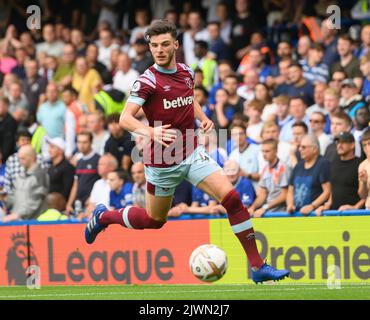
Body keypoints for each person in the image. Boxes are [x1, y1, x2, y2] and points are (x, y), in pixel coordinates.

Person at [85, 20, 289, 283]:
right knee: (154, 220)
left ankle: (258, 266)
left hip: (191, 152)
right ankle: (104, 217)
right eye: (154, 45)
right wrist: (151, 132)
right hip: (161, 161)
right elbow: (125, 119)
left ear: (176, 45)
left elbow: (189, 98)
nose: (159, 50)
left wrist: (203, 117)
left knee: (233, 200)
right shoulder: (147, 81)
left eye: (164, 44)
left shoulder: (185, 71)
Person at [316, 132, 363, 215]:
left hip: (355, 215)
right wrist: (327, 204)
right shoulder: (333, 163)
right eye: (338, 142)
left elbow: (367, 192)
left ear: (352, 145)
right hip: (335, 214)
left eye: (343, 142)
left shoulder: (360, 164)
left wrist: (355, 207)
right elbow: (334, 189)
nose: (339, 145)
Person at [287, 135, 331, 215]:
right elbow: (290, 190)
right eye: (300, 147)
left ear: (314, 149)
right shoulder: (298, 166)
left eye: (303, 147)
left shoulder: (323, 164)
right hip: (297, 214)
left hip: (315, 215)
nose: (300, 149)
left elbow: (327, 191)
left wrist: (312, 206)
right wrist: (290, 204)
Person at [2, 145, 49, 222]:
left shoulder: (40, 176)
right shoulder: (21, 176)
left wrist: (18, 215)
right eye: (19, 158)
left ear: (32, 158)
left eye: (23, 158)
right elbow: (16, 199)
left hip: (35, 223)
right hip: (20, 222)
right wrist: (5, 198)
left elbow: (35, 201)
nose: (20, 162)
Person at [250, 139, 289, 217]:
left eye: (267, 151)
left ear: (275, 151)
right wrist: (252, 207)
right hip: (268, 211)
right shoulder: (265, 168)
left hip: (281, 213)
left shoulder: (283, 167)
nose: (264, 154)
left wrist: (265, 207)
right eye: (263, 151)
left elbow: (285, 195)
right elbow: (262, 194)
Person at [66, 132, 100, 215]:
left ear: (91, 142)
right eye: (79, 142)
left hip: (91, 205)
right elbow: (76, 184)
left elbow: (101, 183)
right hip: (78, 204)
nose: (81, 145)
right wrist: (69, 204)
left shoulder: (98, 159)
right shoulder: (79, 161)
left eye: (85, 142)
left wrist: (92, 199)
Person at [47, 137, 75, 202]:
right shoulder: (51, 167)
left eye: (52, 147)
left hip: (59, 204)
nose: (49, 150)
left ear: (60, 150)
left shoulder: (67, 167)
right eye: (49, 147)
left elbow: (67, 190)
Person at [0, 97, 17, 162]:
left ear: (7, 107)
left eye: (1, 105)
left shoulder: (11, 121)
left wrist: (2, 157)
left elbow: (8, 143)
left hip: (6, 158)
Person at [358, 129, 370, 209]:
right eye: (364, 145)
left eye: (369, 144)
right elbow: (363, 196)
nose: (367, 148)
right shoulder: (362, 165)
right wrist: (364, 183)